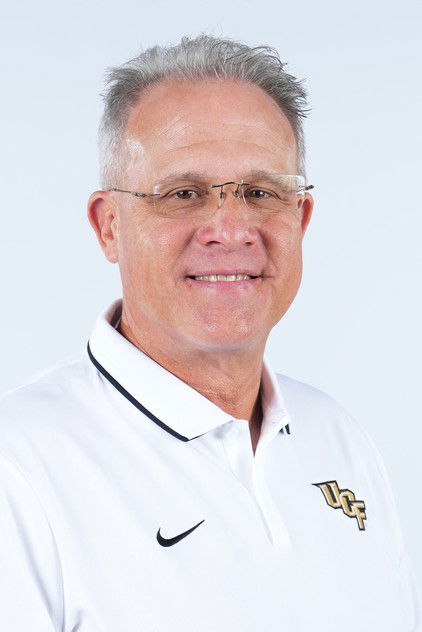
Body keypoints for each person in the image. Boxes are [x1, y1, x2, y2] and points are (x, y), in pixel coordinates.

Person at [0, 34, 420, 632]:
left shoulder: (340, 440)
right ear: (109, 226)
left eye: (261, 192)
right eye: (184, 194)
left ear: (300, 218)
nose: (230, 229)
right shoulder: (18, 467)